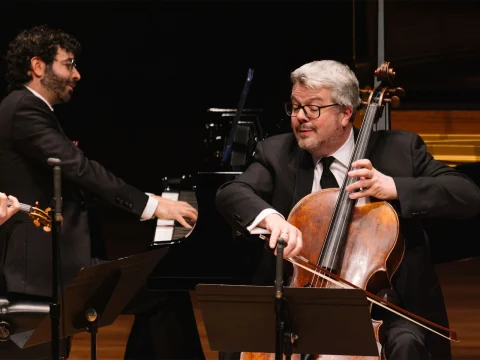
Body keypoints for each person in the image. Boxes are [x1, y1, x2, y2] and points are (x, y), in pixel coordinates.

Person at [215, 60, 480, 360]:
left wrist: (392, 186)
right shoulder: (276, 152)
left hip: (381, 309)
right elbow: (232, 193)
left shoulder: (400, 150)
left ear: (345, 113)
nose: (300, 117)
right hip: (297, 304)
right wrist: (273, 219)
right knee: (236, 345)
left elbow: (467, 194)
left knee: (406, 344)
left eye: (313, 108)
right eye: (295, 106)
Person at [0, 25, 198, 359]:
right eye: (68, 64)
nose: (76, 74)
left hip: (56, 259)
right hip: (42, 269)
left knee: (160, 292)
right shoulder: (24, 109)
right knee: (161, 293)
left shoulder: (28, 109)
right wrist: (151, 206)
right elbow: (81, 168)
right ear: (38, 66)